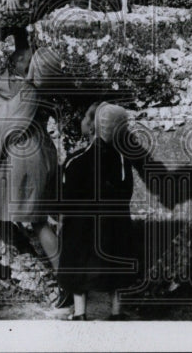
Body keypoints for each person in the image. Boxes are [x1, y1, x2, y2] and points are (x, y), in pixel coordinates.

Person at [0, 8, 61, 284]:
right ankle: (47, 273)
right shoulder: (35, 86)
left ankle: (66, 278)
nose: (16, 54)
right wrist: (19, 29)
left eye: (21, 56)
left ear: (26, 69)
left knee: (34, 221)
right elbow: (24, 49)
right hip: (33, 154)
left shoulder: (18, 87)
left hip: (21, 160)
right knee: (18, 216)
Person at [58, 102, 140, 321]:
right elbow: (125, 193)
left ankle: (80, 311)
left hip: (80, 229)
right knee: (118, 255)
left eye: (86, 116)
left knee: (75, 257)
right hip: (114, 226)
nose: (82, 120)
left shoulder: (75, 161)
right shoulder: (121, 160)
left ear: (93, 127)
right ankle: (116, 311)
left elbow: (65, 199)